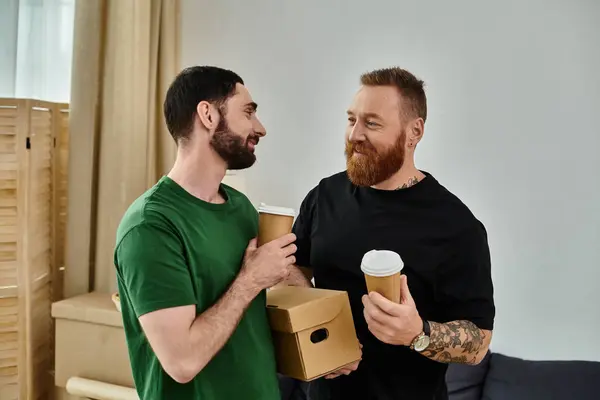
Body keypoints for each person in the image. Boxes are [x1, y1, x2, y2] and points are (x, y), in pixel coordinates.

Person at [291, 67, 495, 400]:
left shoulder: (456, 226)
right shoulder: (325, 196)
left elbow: (478, 343)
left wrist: (418, 333)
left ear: (414, 132)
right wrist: (315, 325)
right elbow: (293, 268)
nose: (355, 134)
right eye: (351, 120)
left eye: (371, 123)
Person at [113, 66, 298, 400]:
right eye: (248, 112)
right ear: (208, 114)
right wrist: (251, 279)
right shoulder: (150, 227)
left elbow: (248, 328)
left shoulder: (240, 207)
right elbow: (182, 362)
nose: (260, 128)